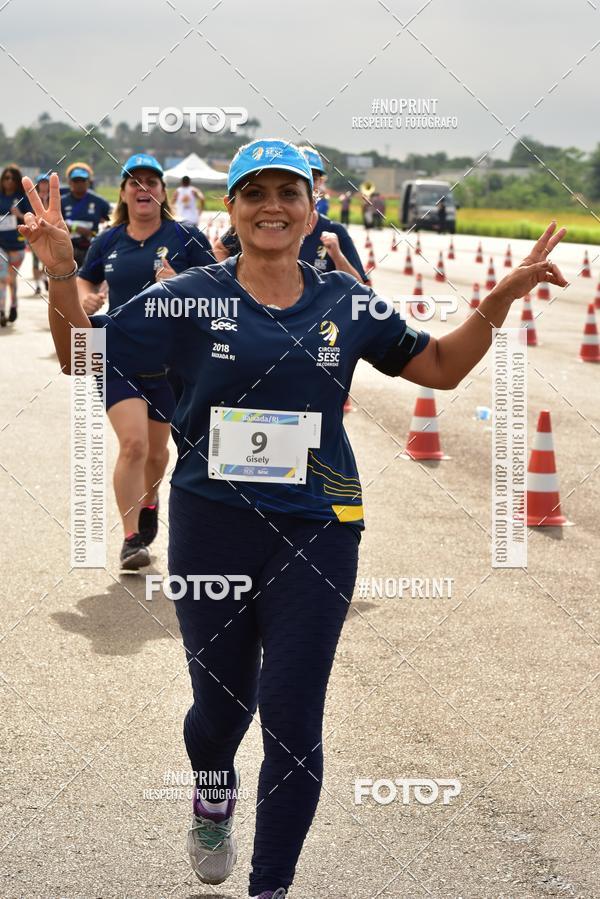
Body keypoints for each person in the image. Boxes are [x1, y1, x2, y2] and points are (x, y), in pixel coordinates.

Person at [22, 138, 567, 899]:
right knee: (222, 707)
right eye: (255, 193)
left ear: (313, 210)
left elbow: (439, 366)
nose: (272, 206)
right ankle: (213, 791)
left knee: (291, 714)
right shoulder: (188, 298)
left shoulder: (344, 301)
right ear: (232, 208)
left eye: (288, 193)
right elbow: (82, 357)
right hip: (213, 523)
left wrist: (498, 298)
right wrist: (56, 270)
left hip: (320, 526)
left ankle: (269, 886)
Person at [75, 153, 215, 569]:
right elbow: (86, 276)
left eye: (151, 182)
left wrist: (182, 286)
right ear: (122, 193)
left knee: (158, 455)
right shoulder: (109, 240)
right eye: (134, 182)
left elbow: (218, 288)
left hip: (171, 365)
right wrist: (86, 295)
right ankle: (132, 538)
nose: (143, 188)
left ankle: (150, 498)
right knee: (133, 444)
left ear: (162, 193)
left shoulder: (186, 237)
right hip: (116, 355)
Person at [298, 146, 367, 283]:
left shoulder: (334, 231)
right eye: (301, 176)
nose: (308, 183)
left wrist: (337, 256)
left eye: (314, 177)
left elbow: (360, 292)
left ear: (321, 182)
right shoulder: (273, 230)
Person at [60, 162, 110, 269]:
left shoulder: (99, 202)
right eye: (76, 180)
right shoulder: (61, 202)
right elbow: (54, 223)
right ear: (69, 182)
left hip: (92, 249)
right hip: (67, 249)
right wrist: (74, 228)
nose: (79, 184)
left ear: (89, 182)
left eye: (82, 180)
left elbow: (113, 220)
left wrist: (98, 232)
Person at [0, 164, 30, 326]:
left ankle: (14, 304)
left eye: (12, 178)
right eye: (6, 178)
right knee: (2, 278)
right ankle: (1, 311)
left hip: (17, 245)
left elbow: (32, 217)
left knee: (11, 279)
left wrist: (19, 214)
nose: (9, 181)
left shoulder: (22, 197)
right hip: (1, 245)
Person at [31, 174, 51, 295]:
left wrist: (45, 200)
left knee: (45, 259)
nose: (44, 185)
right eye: (42, 183)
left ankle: (44, 278)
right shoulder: (33, 198)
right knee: (35, 261)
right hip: (36, 232)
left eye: (45, 183)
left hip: (47, 232)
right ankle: (37, 285)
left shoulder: (52, 198)